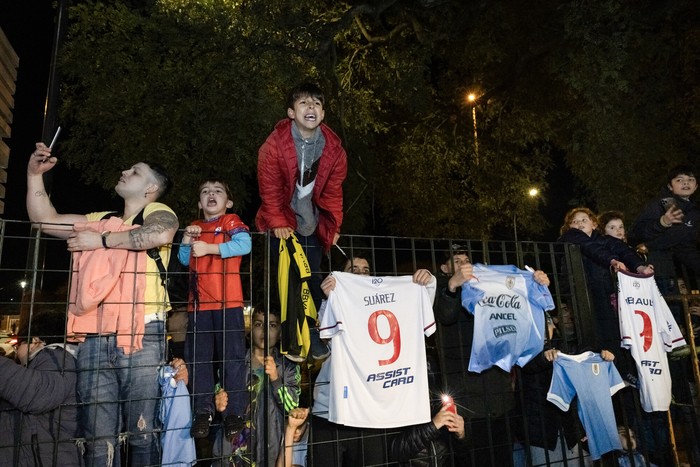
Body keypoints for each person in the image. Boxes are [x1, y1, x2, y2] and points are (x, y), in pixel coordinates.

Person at [26, 142, 178, 466]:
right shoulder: (101, 218)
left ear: (151, 188)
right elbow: (44, 220)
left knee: (142, 432)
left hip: (142, 332)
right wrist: (34, 175)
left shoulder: (155, 211)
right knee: (96, 438)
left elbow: (162, 233)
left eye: (135, 171)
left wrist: (103, 240)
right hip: (94, 335)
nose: (124, 171)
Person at [310, 254, 436, 466]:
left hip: (371, 411)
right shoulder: (335, 299)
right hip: (329, 411)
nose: (361, 274)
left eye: (366, 270)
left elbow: (414, 314)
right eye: (354, 270)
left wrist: (429, 284)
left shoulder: (390, 299)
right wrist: (330, 297)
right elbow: (321, 345)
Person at [433, 246, 552, 467]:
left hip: (501, 398)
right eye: (456, 261)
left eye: (466, 260)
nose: (463, 264)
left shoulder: (488, 289)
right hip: (467, 403)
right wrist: (451, 287)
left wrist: (534, 283)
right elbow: (445, 315)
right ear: (444, 268)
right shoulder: (438, 290)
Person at [256, 82, 348, 360]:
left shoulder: (334, 151)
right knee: (288, 280)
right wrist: (276, 222)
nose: (311, 107)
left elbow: (333, 194)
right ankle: (291, 337)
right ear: (291, 113)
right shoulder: (273, 146)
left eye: (317, 104)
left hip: (311, 223)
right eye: (304, 103)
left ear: (323, 113)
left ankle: (313, 330)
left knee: (315, 278)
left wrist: (333, 228)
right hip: (281, 223)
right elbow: (269, 188)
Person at [178, 178, 252, 440]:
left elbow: (245, 244)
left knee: (231, 357)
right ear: (200, 203)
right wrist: (186, 240)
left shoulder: (230, 221)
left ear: (228, 202)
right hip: (198, 306)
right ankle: (202, 410)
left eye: (218, 191)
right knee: (199, 358)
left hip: (228, 302)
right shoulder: (195, 226)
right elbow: (184, 259)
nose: (211, 195)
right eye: (205, 192)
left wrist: (209, 247)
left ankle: (234, 412)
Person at [557, 208, 653, 356]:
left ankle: (619, 367)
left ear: (594, 224)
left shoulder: (604, 240)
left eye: (584, 220)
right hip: (580, 291)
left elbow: (624, 251)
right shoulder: (572, 236)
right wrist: (612, 260)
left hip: (604, 289)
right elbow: (591, 248)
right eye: (574, 222)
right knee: (590, 331)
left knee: (612, 329)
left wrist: (640, 267)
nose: (579, 223)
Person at [0, 309, 82, 466]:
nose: (16, 352)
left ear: (35, 342)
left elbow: (39, 394)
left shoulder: (56, 356)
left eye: (19, 345)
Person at [237, 306, 301, 467]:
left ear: (280, 332)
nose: (264, 331)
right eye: (259, 324)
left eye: (272, 325)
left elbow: (292, 407)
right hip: (237, 450)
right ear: (251, 328)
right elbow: (220, 393)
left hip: (272, 450)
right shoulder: (235, 362)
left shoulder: (288, 367)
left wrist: (275, 378)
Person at [629, 164, 700, 302]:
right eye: (679, 180)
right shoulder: (659, 204)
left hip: (671, 273)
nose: (686, 183)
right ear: (670, 186)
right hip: (650, 268)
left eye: (690, 179)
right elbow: (635, 233)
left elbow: (686, 248)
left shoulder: (694, 214)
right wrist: (662, 222)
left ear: (696, 186)